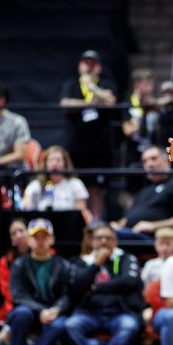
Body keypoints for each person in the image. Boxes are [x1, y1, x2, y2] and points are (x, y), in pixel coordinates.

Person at [66, 223, 142, 345]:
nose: (104, 242)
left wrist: (95, 288)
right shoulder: (83, 261)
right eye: (99, 238)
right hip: (89, 313)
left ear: (116, 242)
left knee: (130, 326)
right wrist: (96, 264)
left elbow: (129, 281)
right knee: (71, 325)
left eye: (108, 238)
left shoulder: (126, 258)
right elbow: (77, 286)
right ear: (92, 242)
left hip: (119, 312)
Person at [3, 218, 72, 345]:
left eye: (44, 236)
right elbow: (18, 295)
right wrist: (40, 310)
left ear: (52, 239)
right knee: (21, 314)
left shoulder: (63, 265)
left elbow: (67, 295)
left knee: (60, 324)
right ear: (29, 240)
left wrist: (57, 309)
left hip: (54, 312)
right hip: (30, 311)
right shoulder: (19, 264)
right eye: (36, 237)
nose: (40, 241)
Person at [60, 50, 118, 220]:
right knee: (77, 184)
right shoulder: (71, 84)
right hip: (76, 145)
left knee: (96, 188)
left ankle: (96, 222)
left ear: (98, 67)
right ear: (80, 65)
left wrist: (92, 87)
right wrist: (89, 103)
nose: (89, 67)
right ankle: (81, 221)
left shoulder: (106, 83)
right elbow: (65, 103)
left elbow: (110, 101)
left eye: (92, 64)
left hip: (99, 146)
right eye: (86, 63)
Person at [111, 145, 173, 240]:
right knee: (102, 231)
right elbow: (129, 218)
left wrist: (153, 226)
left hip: (154, 237)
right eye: (144, 161)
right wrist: (115, 226)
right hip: (130, 232)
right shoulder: (144, 190)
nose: (149, 164)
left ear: (166, 161)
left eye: (153, 159)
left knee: (111, 237)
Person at [0, 218, 29, 345]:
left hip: (40, 303)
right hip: (16, 303)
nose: (18, 235)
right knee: (20, 313)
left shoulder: (45, 256)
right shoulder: (5, 261)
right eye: (14, 233)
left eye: (21, 230)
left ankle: (5, 333)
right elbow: (7, 291)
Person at [21, 145, 90, 215]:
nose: (54, 164)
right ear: (45, 164)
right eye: (51, 160)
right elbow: (25, 207)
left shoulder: (75, 184)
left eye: (58, 160)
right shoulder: (35, 185)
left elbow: (80, 212)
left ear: (65, 163)